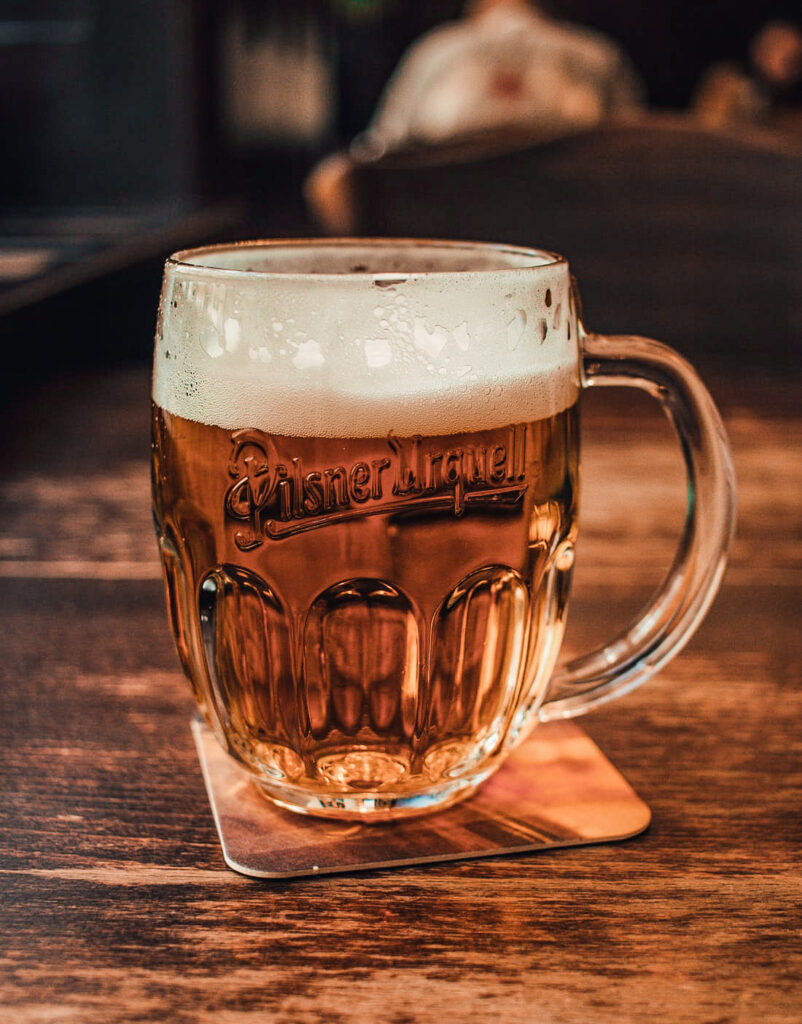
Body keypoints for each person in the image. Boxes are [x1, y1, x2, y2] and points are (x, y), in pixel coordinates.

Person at [358, 0, 644, 154]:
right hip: (579, 241)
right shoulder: (597, 55)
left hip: (449, 239)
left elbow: (374, 154)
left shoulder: (434, 52)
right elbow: (642, 156)